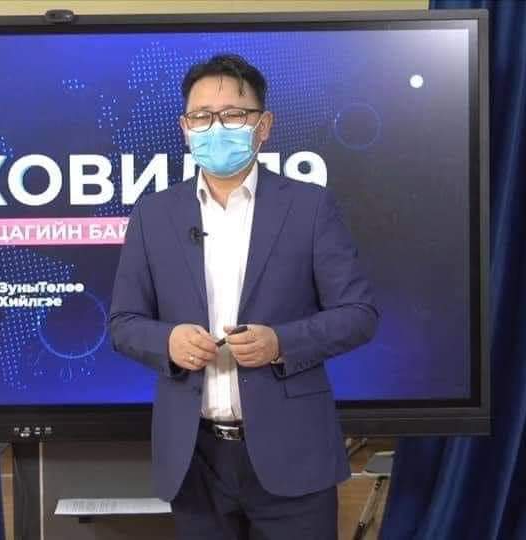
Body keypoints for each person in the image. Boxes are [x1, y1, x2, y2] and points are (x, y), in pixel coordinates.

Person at [109, 53, 378, 540]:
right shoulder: (153, 215)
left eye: (233, 115)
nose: (216, 128)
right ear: (185, 129)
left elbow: (358, 315)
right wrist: (168, 342)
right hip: (194, 459)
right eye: (201, 117)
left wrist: (280, 343)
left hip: (293, 453)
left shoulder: (309, 207)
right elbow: (123, 323)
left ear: (263, 125)